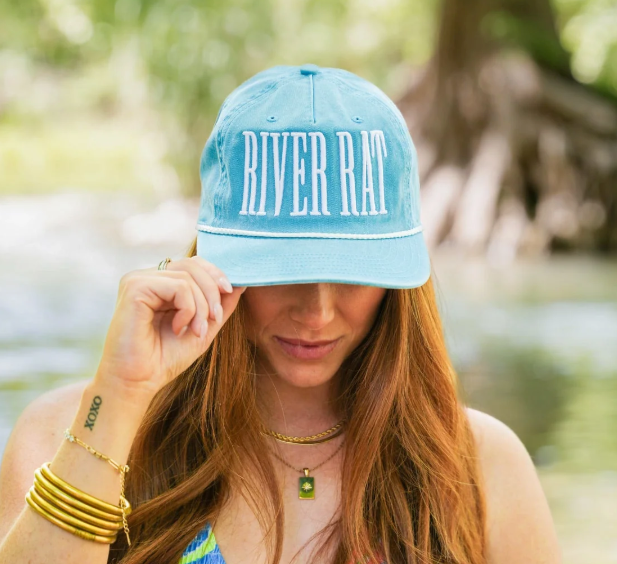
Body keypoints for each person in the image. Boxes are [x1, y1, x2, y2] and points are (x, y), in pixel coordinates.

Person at [0, 64, 561, 564]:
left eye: (354, 271)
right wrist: (121, 394)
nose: (317, 312)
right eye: (281, 269)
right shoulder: (68, 433)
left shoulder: (479, 464)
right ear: (214, 257)